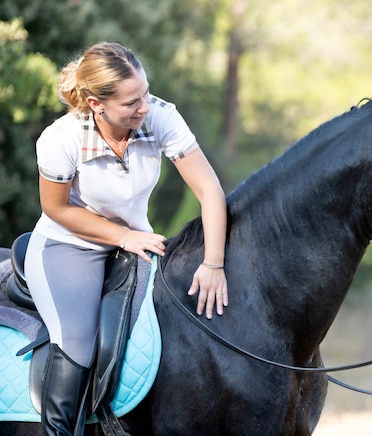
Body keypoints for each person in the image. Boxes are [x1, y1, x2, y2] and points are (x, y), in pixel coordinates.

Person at [24, 42, 229, 435]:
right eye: (132, 102)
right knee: (78, 342)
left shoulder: (160, 117)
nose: (144, 108)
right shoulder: (60, 139)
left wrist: (213, 263)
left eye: (145, 94)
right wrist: (121, 236)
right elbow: (58, 209)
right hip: (69, 244)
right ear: (95, 103)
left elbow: (209, 191)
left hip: (137, 240)